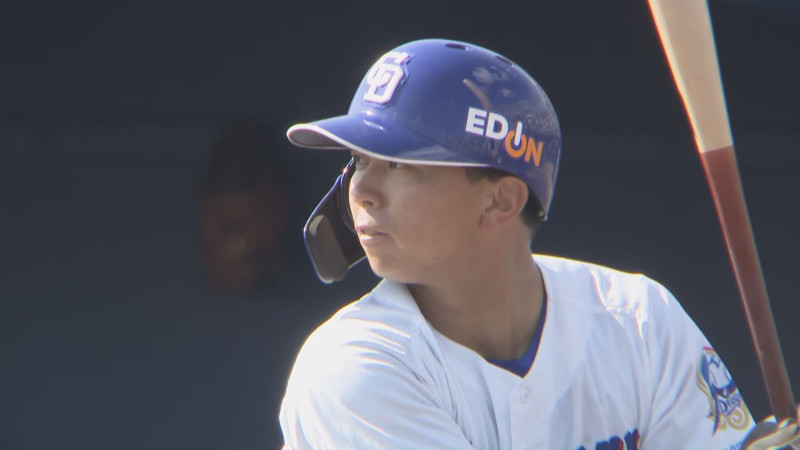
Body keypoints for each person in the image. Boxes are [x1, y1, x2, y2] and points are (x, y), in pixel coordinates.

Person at [278, 38, 799, 449]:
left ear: (500, 202)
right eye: (359, 161)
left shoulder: (639, 320)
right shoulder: (356, 365)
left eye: (397, 164)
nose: (361, 191)